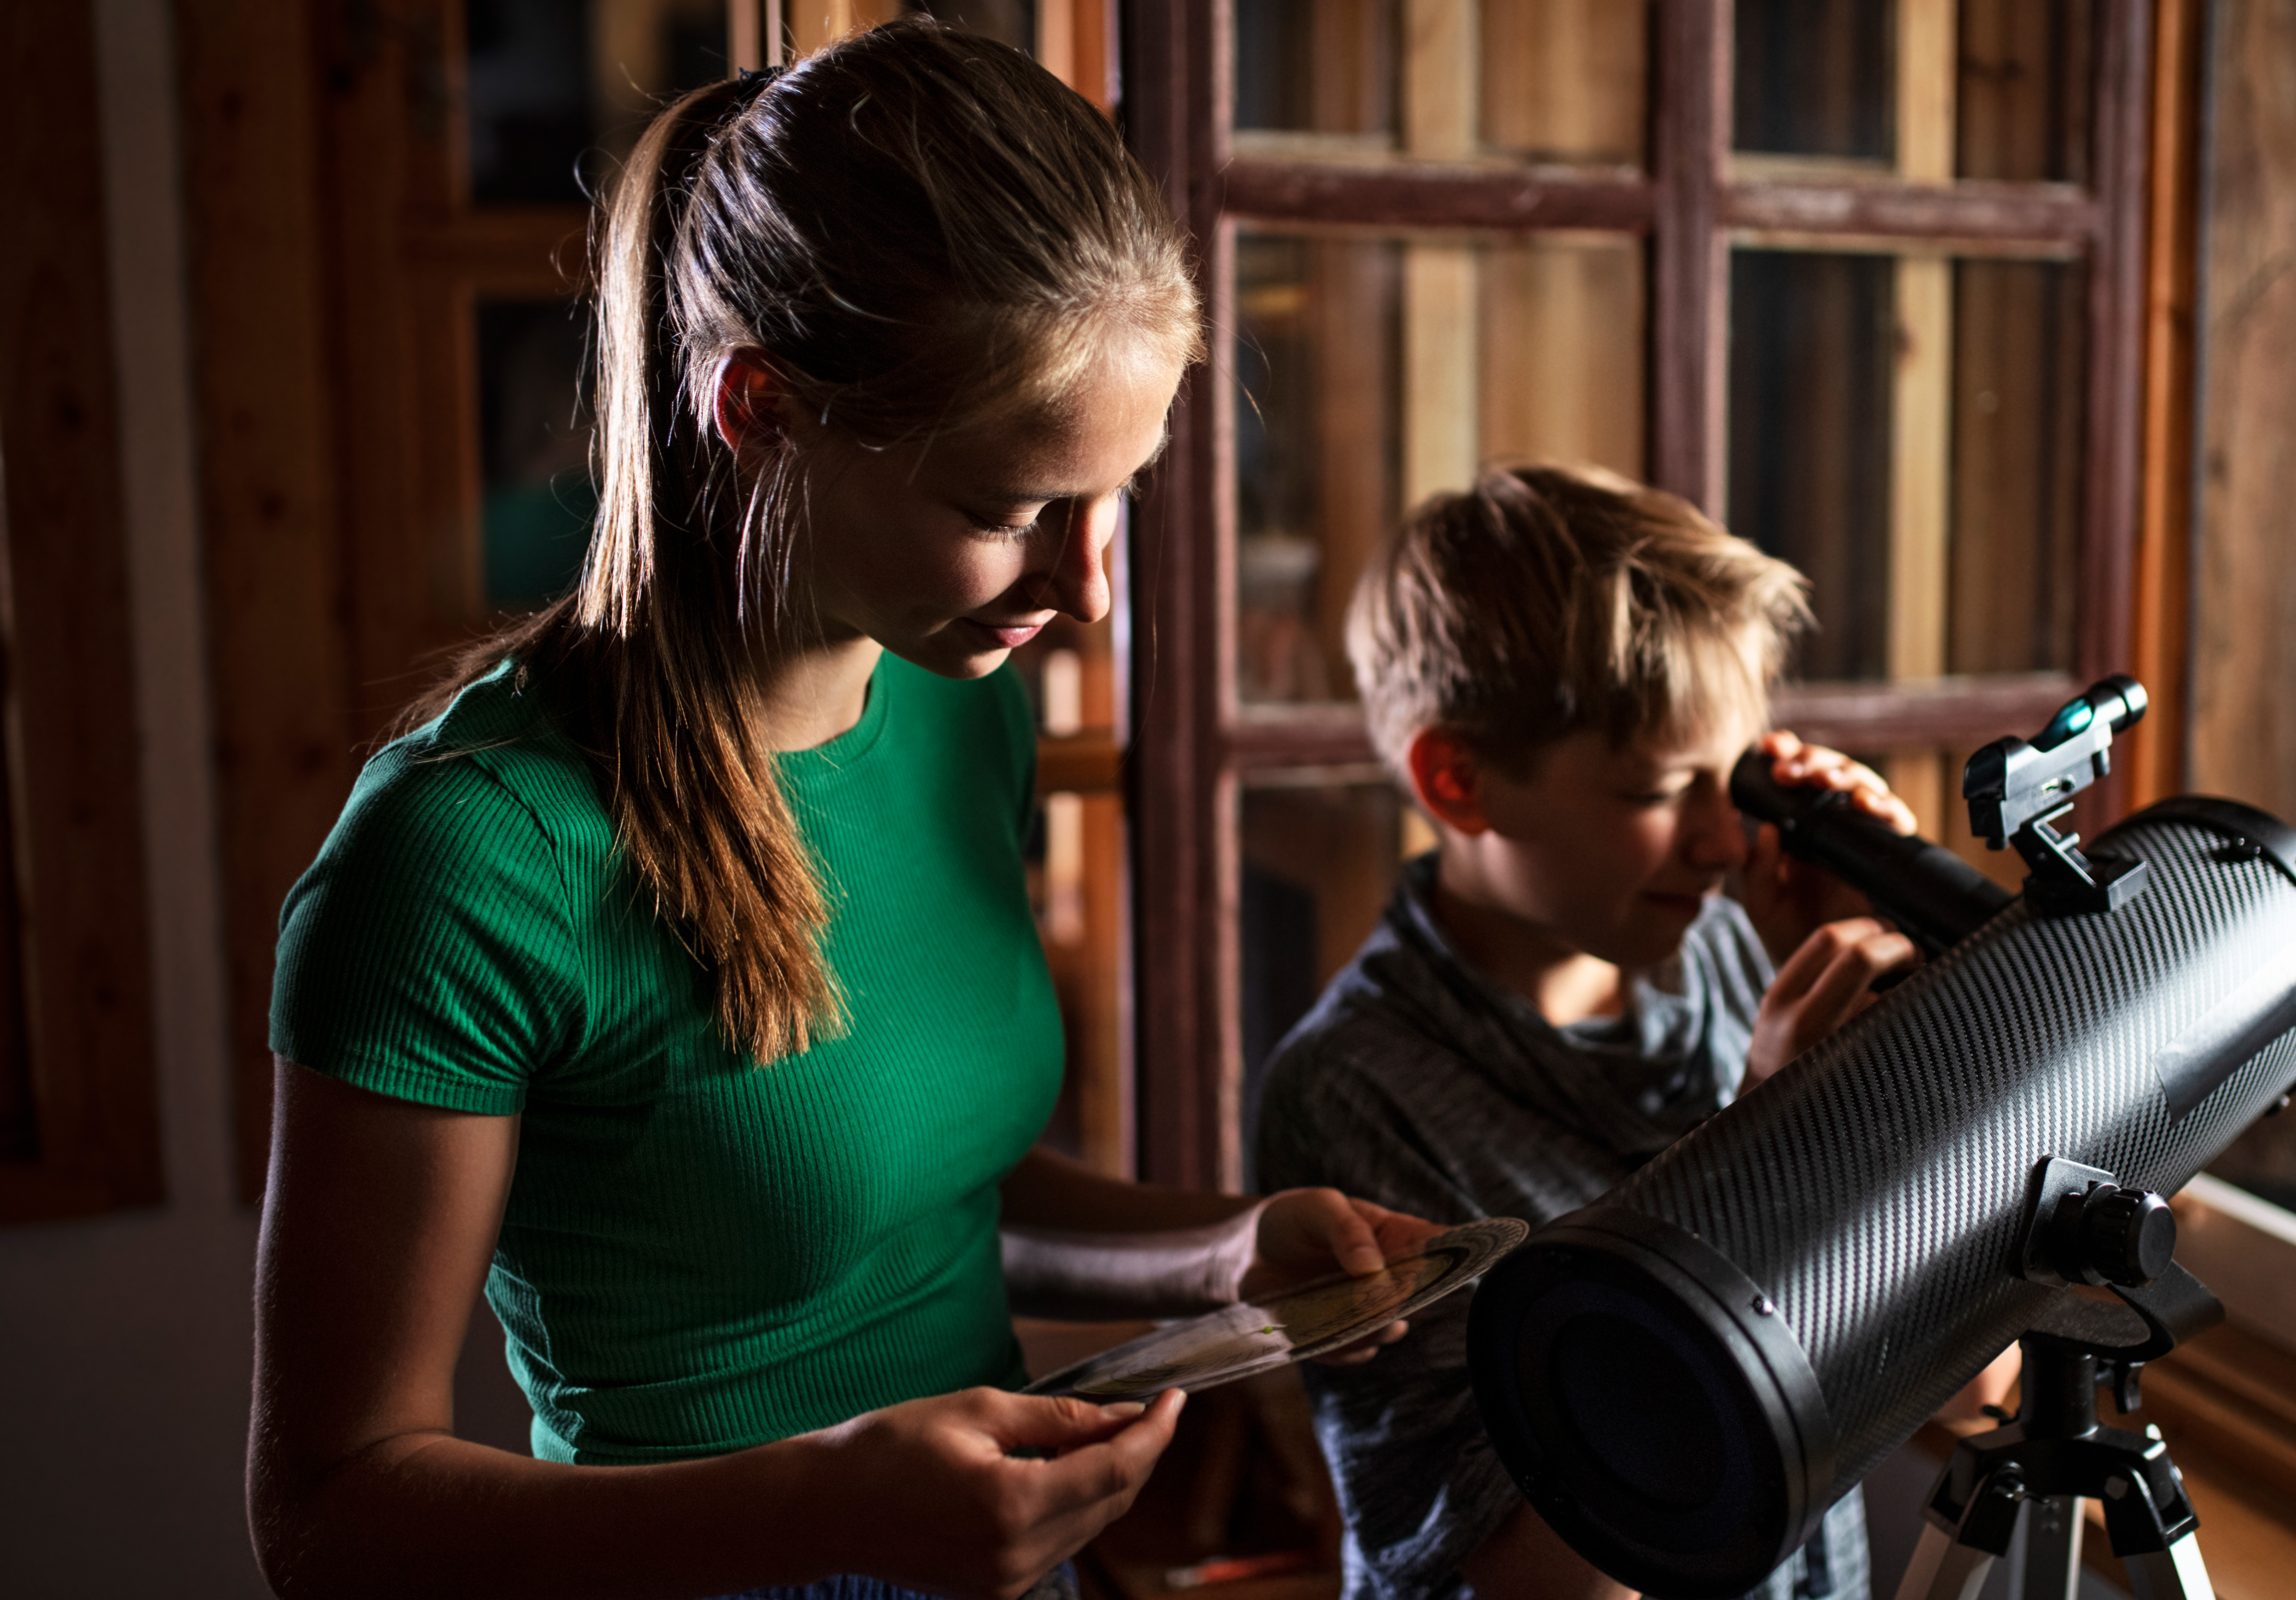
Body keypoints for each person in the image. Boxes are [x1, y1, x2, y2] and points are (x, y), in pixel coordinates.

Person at [247, 23, 1434, 1600]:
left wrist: (1226, 1252)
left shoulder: (959, 706)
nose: (1086, 594)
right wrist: (825, 1512)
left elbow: (935, 1191)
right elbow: (332, 1519)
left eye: (1113, 505)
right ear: (761, 411)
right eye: (1007, 511)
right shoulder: (466, 857)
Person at [1255, 463, 2018, 1600]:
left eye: (1740, 779)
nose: (1721, 841)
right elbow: (1549, 1583)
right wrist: (1785, 1157)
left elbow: (1978, 1382)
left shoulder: (1720, 953)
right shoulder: (1355, 1091)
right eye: (1659, 791)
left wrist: (1893, 1056)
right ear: (1460, 780)